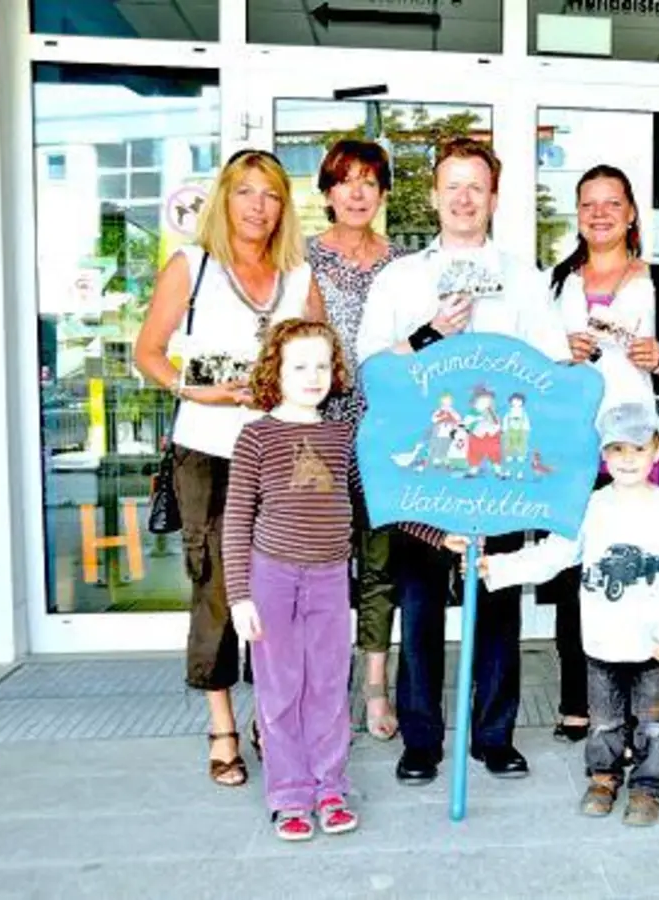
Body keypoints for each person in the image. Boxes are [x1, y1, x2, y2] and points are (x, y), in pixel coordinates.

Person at [354, 137, 571, 786]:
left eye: (476, 186)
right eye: (453, 185)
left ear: (495, 198)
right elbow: (371, 367)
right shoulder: (401, 277)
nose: (464, 198)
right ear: (433, 195)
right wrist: (432, 334)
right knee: (420, 604)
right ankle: (421, 741)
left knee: (497, 596)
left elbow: (554, 362)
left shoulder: (524, 277)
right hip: (424, 464)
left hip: (501, 462)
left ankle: (494, 736)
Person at [133, 149, 323, 787]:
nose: (258, 206)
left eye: (270, 195)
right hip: (209, 449)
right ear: (224, 199)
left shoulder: (298, 276)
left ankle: (276, 718)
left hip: (284, 449)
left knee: (287, 588)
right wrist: (197, 390)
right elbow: (149, 352)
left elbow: (319, 358)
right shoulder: (192, 265)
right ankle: (222, 725)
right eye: (245, 192)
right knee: (218, 584)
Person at [478, 402, 659, 827]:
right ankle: (602, 777)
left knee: (652, 723)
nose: (628, 459)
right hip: (601, 641)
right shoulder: (591, 506)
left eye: (638, 449)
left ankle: (648, 786)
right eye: (617, 450)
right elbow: (554, 554)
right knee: (604, 721)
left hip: (652, 643)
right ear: (604, 456)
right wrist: (499, 567)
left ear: (656, 451)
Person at [542, 164, 659, 743]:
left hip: (638, 449)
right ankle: (580, 698)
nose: (600, 213)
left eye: (612, 203)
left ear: (631, 214)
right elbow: (533, 369)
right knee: (579, 573)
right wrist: (559, 353)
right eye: (588, 204)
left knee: (642, 573)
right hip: (574, 449)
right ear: (578, 215)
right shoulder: (554, 282)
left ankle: (642, 700)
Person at [222, 318, 362, 841]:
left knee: (327, 683)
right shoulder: (256, 436)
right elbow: (236, 519)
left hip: (329, 576)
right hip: (271, 576)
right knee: (281, 688)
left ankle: (330, 786)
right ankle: (289, 794)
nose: (313, 376)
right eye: (299, 366)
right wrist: (239, 596)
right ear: (275, 371)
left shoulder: (340, 435)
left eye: (323, 365)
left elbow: (371, 505)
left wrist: (438, 536)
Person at [307, 138, 406, 742]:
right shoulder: (301, 259)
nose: (358, 192)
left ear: (384, 191)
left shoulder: (404, 263)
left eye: (370, 181)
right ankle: (317, 687)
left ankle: (375, 686)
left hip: (383, 429)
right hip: (316, 430)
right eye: (346, 181)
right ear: (327, 193)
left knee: (378, 561)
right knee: (316, 562)